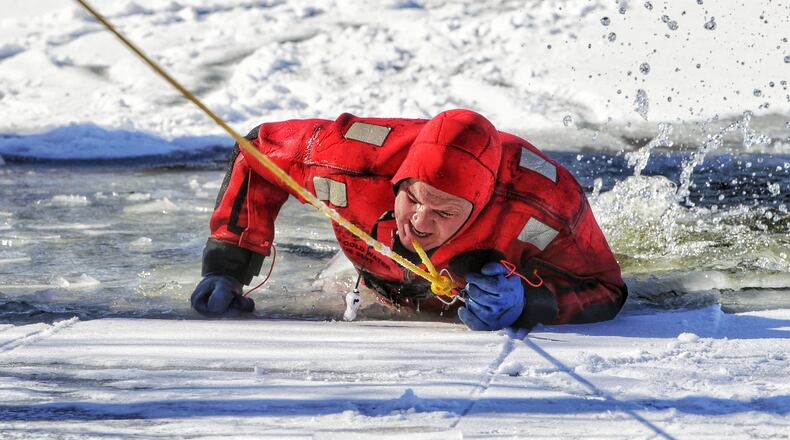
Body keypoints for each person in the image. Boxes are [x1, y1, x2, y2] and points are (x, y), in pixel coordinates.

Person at [191, 109, 627, 330]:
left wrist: (527, 305)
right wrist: (227, 267)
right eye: (413, 199)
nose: (418, 222)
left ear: (481, 207)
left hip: (478, 281)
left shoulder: (543, 202)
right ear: (398, 181)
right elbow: (258, 151)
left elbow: (607, 291)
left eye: (444, 212)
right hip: (366, 275)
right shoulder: (347, 160)